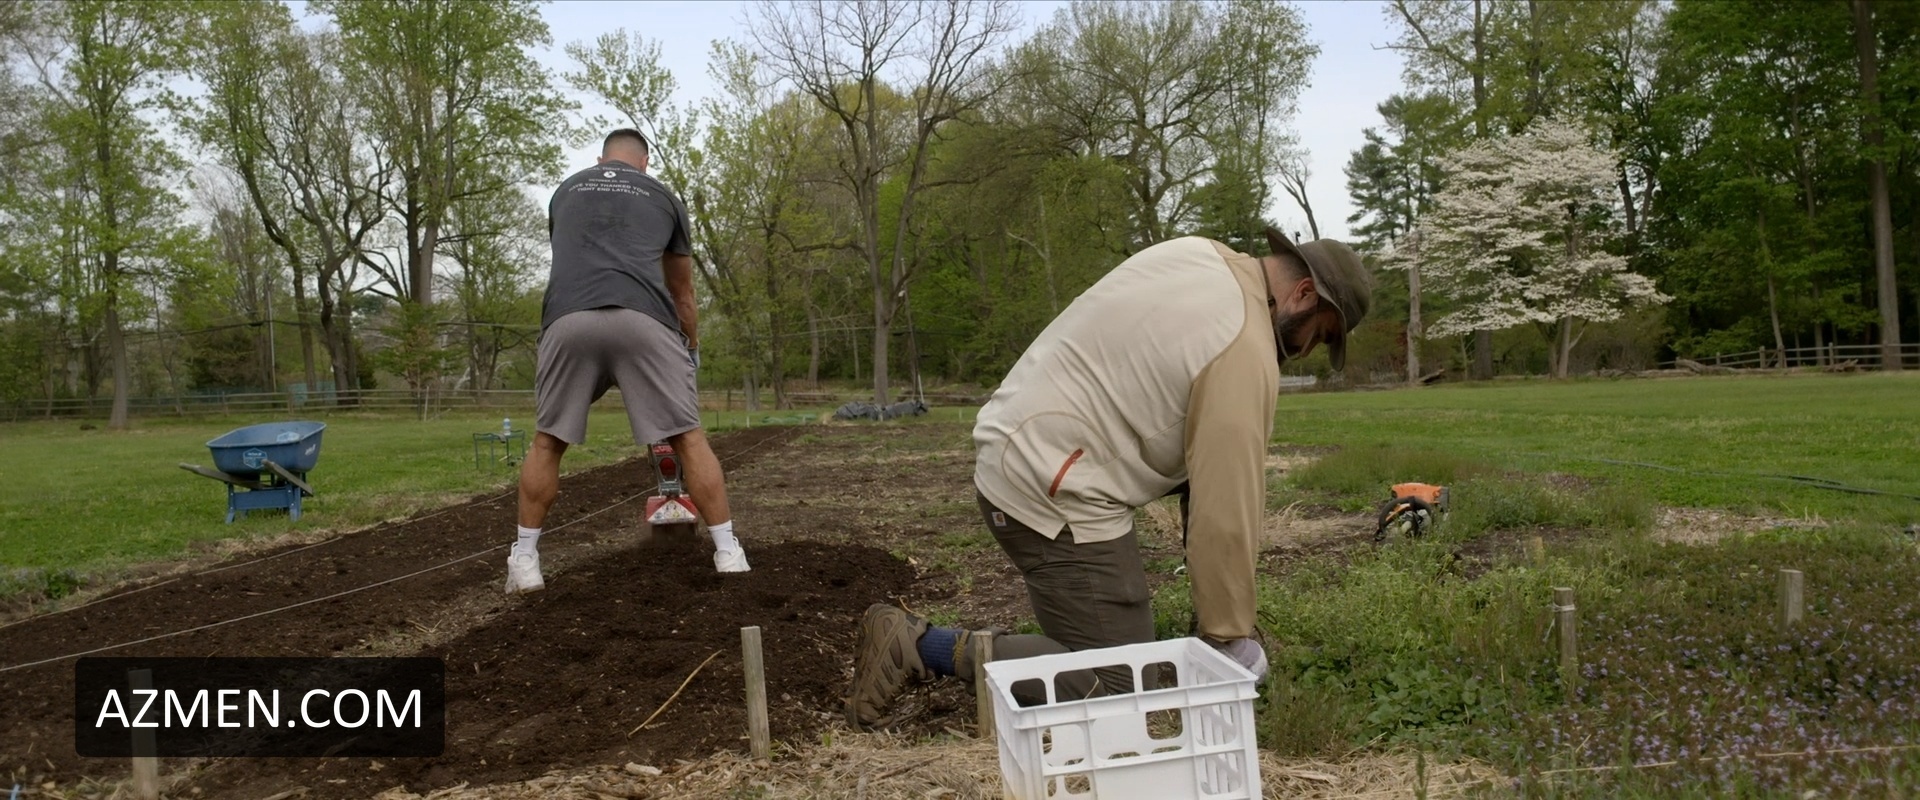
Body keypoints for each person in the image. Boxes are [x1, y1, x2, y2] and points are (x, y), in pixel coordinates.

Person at [845, 228, 1373, 726]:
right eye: (1319, 335)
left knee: (1117, 654)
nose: (1305, 351)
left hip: (1026, 445)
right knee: (1121, 684)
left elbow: (1191, 461)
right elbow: (1226, 505)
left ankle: (1068, 644)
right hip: (1052, 483)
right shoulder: (1245, 346)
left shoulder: (1198, 255)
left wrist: (1219, 618)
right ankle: (919, 646)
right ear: (1304, 294)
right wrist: (1227, 634)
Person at [507, 128, 750, 594]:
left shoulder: (565, 192)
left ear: (600, 160)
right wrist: (690, 347)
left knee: (547, 443)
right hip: (643, 320)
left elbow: (574, 256)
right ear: (644, 163)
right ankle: (729, 554)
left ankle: (524, 562)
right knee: (688, 437)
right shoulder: (663, 197)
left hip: (568, 319)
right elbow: (682, 292)